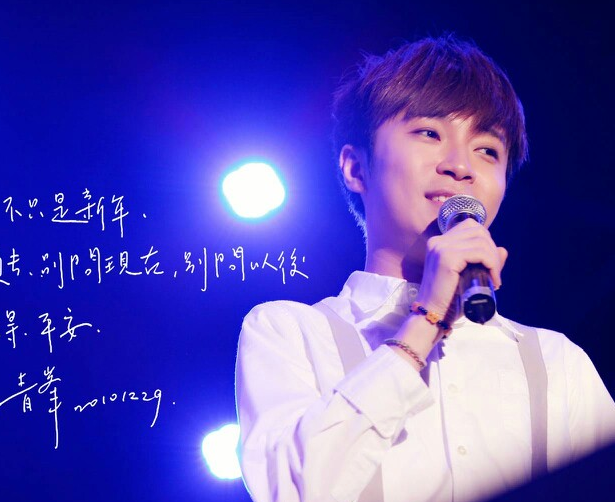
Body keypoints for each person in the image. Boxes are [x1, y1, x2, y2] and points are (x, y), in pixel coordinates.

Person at [234, 35, 615, 502]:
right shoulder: (290, 332)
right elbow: (293, 490)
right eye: (430, 133)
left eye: (487, 150)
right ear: (356, 168)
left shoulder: (557, 364)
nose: (460, 166)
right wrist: (426, 320)